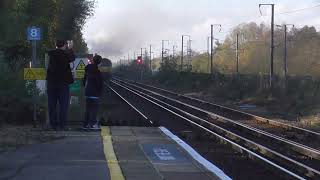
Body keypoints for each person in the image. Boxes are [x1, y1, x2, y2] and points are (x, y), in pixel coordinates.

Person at [47, 40, 75, 130]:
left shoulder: (51, 54)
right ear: (64, 45)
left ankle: (53, 125)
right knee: (63, 105)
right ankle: (62, 125)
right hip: (63, 83)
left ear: (56, 45)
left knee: (52, 105)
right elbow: (72, 58)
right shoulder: (65, 54)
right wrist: (70, 48)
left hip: (51, 83)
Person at [82, 55, 103, 130]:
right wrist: (100, 91)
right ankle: (93, 124)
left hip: (87, 92)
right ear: (99, 63)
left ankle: (85, 124)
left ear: (93, 61)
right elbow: (99, 84)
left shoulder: (87, 69)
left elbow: (84, 81)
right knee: (94, 109)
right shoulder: (97, 72)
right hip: (95, 93)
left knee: (87, 109)